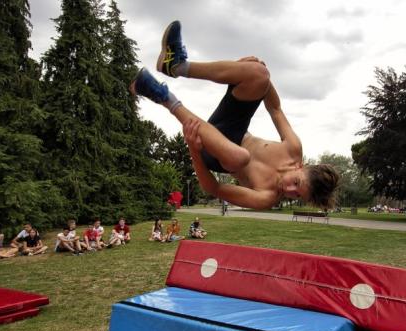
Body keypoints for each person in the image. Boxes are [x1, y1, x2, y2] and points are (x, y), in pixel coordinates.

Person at [130, 20, 340, 211]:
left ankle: (163, 96)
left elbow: (214, 188)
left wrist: (194, 149)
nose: (290, 191)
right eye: (297, 183)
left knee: (240, 157)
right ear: (300, 167)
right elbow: (275, 109)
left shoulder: (266, 197)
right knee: (260, 75)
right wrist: (252, 72)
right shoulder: (293, 148)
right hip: (231, 129)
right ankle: (177, 65)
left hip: (212, 154)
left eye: (297, 196)